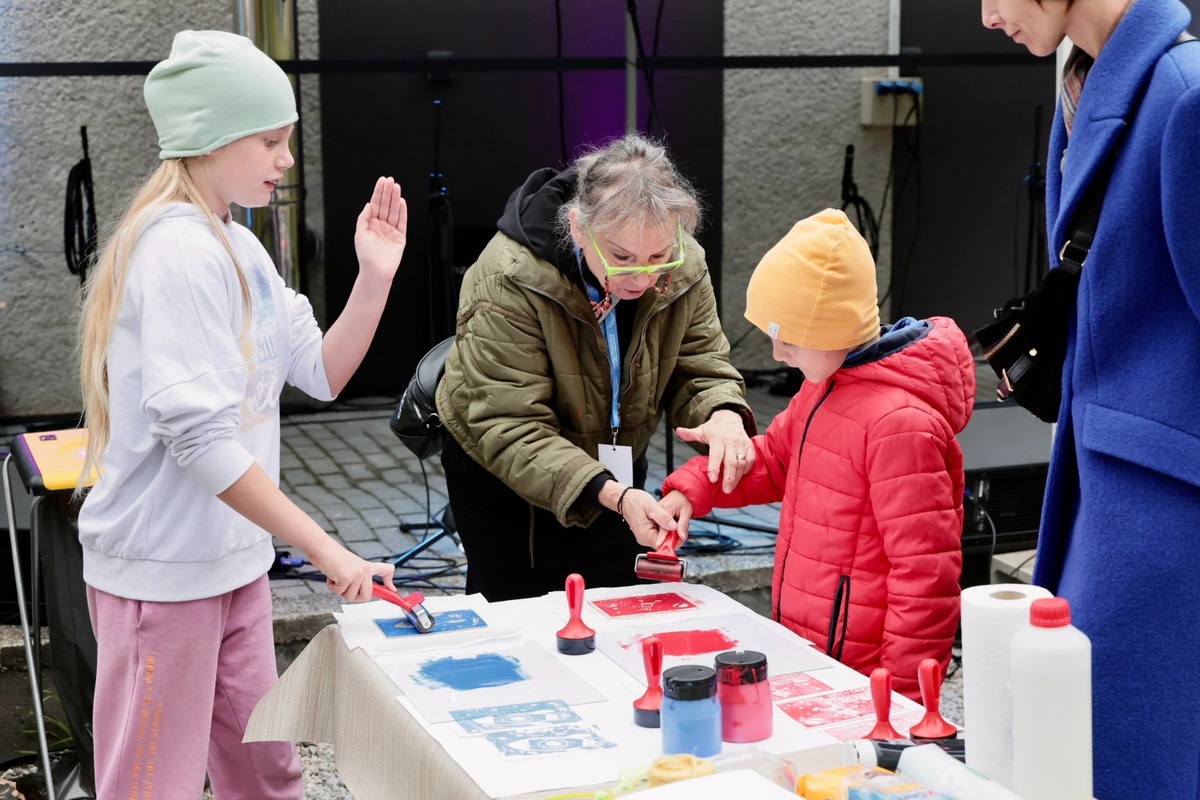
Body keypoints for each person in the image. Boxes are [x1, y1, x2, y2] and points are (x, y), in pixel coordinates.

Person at [75, 30, 406, 798]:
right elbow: (201, 443)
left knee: (269, 769)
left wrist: (375, 278)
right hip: (161, 578)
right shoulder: (175, 252)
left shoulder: (240, 245)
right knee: (152, 784)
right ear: (209, 139)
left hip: (233, 567)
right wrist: (330, 552)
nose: (286, 159)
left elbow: (321, 373)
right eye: (270, 140)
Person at [982, 0, 1200, 795]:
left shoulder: (1183, 93)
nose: (985, 16)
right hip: (1106, 497)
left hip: (1167, 523)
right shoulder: (1091, 86)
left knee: (1128, 761)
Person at [659, 209, 975, 701]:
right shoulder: (822, 386)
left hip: (869, 675)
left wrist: (904, 697)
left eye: (789, 340)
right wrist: (693, 486)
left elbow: (925, 575)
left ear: (835, 330)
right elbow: (777, 461)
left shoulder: (901, 424)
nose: (777, 354)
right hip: (811, 647)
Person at [434, 133, 756, 601]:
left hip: (616, 463)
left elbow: (700, 364)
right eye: (621, 258)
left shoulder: (684, 266)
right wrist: (616, 496)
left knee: (614, 611)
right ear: (578, 227)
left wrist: (723, 414)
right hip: (509, 482)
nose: (642, 278)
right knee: (525, 622)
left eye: (658, 257)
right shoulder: (509, 275)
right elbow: (510, 424)